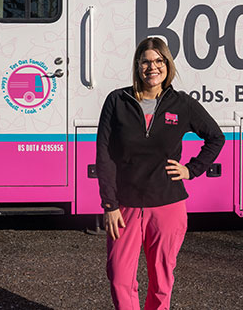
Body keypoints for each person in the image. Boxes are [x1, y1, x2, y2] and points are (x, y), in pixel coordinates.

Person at [96, 36, 225, 309]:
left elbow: (216, 137)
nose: (152, 67)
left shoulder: (182, 104)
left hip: (168, 205)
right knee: (119, 277)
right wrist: (109, 204)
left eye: (158, 61)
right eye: (145, 62)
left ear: (167, 64)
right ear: (137, 65)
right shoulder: (117, 101)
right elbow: (104, 155)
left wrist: (191, 170)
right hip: (125, 206)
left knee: (161, 281)